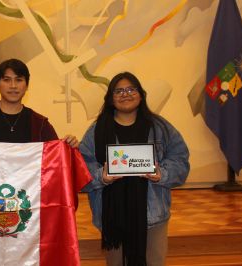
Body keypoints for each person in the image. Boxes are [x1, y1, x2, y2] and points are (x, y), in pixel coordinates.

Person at [79, 72, 190, 266]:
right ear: (111, 97)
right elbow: (81, 168)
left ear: (141, 94)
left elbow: (181, 161)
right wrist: (101, 176)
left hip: (152, 215)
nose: (125, 94)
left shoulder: (160, 127)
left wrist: (161, 174)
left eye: (131, 89)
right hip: (112, 217)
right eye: (118, 91)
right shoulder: (97, 130)